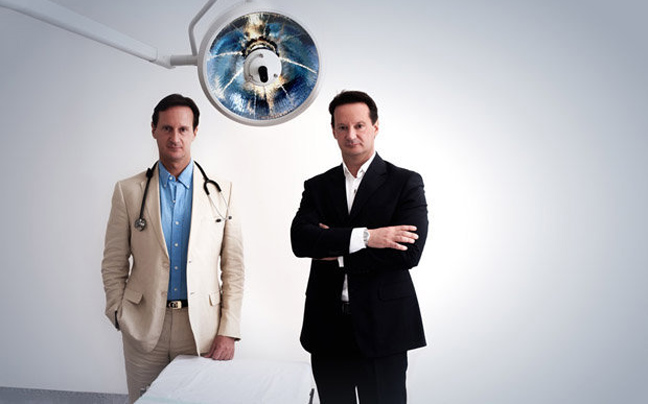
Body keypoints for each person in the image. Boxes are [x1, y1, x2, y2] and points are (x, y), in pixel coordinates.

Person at [101, 93, 245, 403]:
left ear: (195, 132)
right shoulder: (128, 191)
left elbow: (233, 267)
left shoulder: (222, 192)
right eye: (167, 128)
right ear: (153, 129)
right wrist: (118, 312)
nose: (175, 138)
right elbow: (113, 261)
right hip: (143, 324)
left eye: (183, 129)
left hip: (201, 328)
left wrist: (229, 329)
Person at [291, 90, 428, 404]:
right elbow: (300, 241)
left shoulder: (405, 183)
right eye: (342, 127)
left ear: (375, 127)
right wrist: (368, 237)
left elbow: (409, 252)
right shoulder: (318, 187)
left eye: (359, 126)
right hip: (327, 327)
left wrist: (336, 249)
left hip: (384, 328)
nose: (350, 135)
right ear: (333, 131)